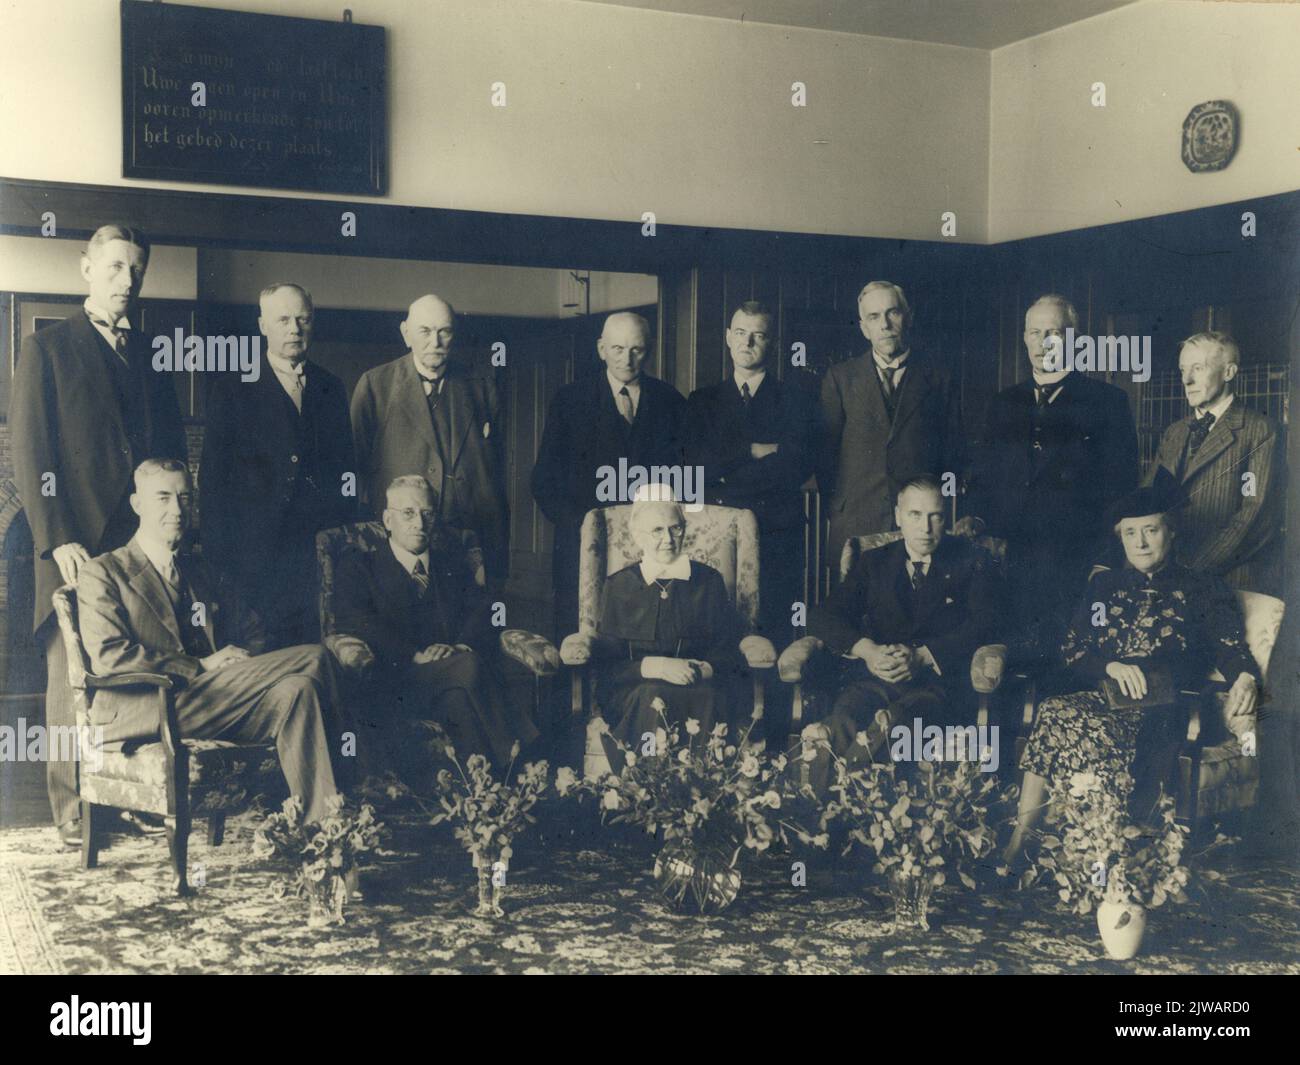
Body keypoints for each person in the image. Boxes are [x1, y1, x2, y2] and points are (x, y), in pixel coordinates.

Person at [9, 224, 187, 846]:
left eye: (135, 270)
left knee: (133, 668)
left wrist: (162, 531)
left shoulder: (151, 354)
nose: (126, 280)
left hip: (135, 549)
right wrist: (57, 537)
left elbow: (168, 456)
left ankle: (126, 794)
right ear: (86, 269)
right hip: (73, 540)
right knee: (73, 674)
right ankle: (73, 809)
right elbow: (33, 453)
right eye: (114, 267)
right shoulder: (49, 349)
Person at [1003, 475, 1259, 864]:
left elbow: (1230, 648)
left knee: (1080, 725)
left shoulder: (1203, 589)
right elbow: (1075, 648)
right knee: (1056, 711)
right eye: (1129, 533)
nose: (1139, 543)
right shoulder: (1104, 587)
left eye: (1150, 531)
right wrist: (1111, 664)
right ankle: (1023, 837)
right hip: (1107, 696)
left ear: (1171, 532)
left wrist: (1244, 676)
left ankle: (1098, 847)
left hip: (1165, 707)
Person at [76, 460, 346, 823]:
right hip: (144, 709)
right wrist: (201, 665)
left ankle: (325, 831)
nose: (177, 509)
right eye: (164, 498)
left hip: (211, 701)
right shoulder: (104, 572)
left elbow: (254, 631)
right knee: (314, 657)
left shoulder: (199, 571)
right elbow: (110, 657)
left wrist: (242, 666)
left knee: (297, 690)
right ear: (137, 505)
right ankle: (359, 778)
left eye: (185, 497)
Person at [967, 293, 1138, 671]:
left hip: (1074, 566)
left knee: (1061, 668)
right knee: (1005, 665)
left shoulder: (1107, 403)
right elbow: (982, 479)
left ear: (1075, 339)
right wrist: (978, 523)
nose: (1044, 343)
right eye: (1035, 332)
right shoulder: (1002, 403)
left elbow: (1122, 492)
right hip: (1010, 564)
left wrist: (1105, 562)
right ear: (1025, 339)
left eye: (1054, 333)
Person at [333, 475, 538, 772]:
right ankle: (525, 759)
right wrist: (415, 654)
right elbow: (357, 622)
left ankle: (481, 788)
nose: (419, 522)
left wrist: (458, 647)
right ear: (388, 520)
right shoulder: (359, 566)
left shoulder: (452, 564)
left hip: (453, 680)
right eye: (408, 513)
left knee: (459, 699)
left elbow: (485, 610)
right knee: (470, 665)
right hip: (396, 681)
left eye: (427, 513)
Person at [200, 282, 357, 647]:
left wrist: (342, 541)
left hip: (314, 557)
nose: (294, 329)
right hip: (252, 558)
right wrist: (218, 563)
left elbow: (345, 472)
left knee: (313, 653)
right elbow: (212, 482)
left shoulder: (331, 388)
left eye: (302, 319)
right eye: (283, 319)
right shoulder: (233, 387)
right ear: (263, 325)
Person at [806, 476, 1002, 762]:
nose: (925, 528)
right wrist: (869, 651)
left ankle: (843, 795)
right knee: (842, 721)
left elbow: (987, 625)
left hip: (936, 688)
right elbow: (822, 616)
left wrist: (923, 656)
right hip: (874, 680)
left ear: (945, 518)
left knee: (896, 723)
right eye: (915, 515)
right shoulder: (874, 562)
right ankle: (819, 803)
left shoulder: (973, 560)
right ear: (899, 516)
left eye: (935, 517)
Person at [531, 311, 686, 636]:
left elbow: (684, 477)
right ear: (601, 348)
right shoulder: (569, 400)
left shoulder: (670, 400)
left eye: (636, 350)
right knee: (578, 635)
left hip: (652, 546)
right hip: (583, 543)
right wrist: (583, 525)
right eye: (617, 349)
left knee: (644, 631)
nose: (627, 359)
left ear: (650, 349)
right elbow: (544, 480)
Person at [570, 487, 747, 759]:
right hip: (635, 693)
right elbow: (608, 668)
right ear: (638, 536)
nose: (668, 539)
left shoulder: (709, 581)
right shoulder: (619, 585)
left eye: (675, 529)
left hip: (698, 687)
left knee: (706, 696)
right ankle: (647, 789)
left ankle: (704, 790)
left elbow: (727, 652)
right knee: (653, 694)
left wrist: (701, 669)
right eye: (657, 531)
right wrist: (658, 667)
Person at [350, 294, 509, 582]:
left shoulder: (482, 386)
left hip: (469, 536)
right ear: (406, 333)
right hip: (403, 539)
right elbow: (356, 466)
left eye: (444, 331)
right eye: (424, 331)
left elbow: (495, 467)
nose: (434, 342)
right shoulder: (375, 385)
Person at [685, 300, 818, 642]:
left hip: (778, 530)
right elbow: (697, 467)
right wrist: (755, 450)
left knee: (775, 626)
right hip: (717, 530)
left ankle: (773, 697)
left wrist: (727, 466)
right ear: (728, 338)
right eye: (741, 333)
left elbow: (796, 467)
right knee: (718, 625)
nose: (747, 343)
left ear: (772, 343)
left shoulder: (796, 399)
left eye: (758, 335)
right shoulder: (702, 401)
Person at [819, 281, 964, 570]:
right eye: (873, 317)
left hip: (919, 526)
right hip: (856, 521)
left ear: (907, 317)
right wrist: (839, 509)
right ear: (863, 328)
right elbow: (824, 456)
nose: (884, 324)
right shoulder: (840, 378)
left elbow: (953, 454)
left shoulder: (938, 379)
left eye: (892, 313)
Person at [1145, 331, 1284, 593]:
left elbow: (1254, 517)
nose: (1186, 380)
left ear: (1229, 372)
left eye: (1198, 368)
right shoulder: (1174, 432)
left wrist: (1190, 571)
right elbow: (1148, 502)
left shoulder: (1260, 430)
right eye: (1183, 369)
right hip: (1169, 576)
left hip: (1230, 581)